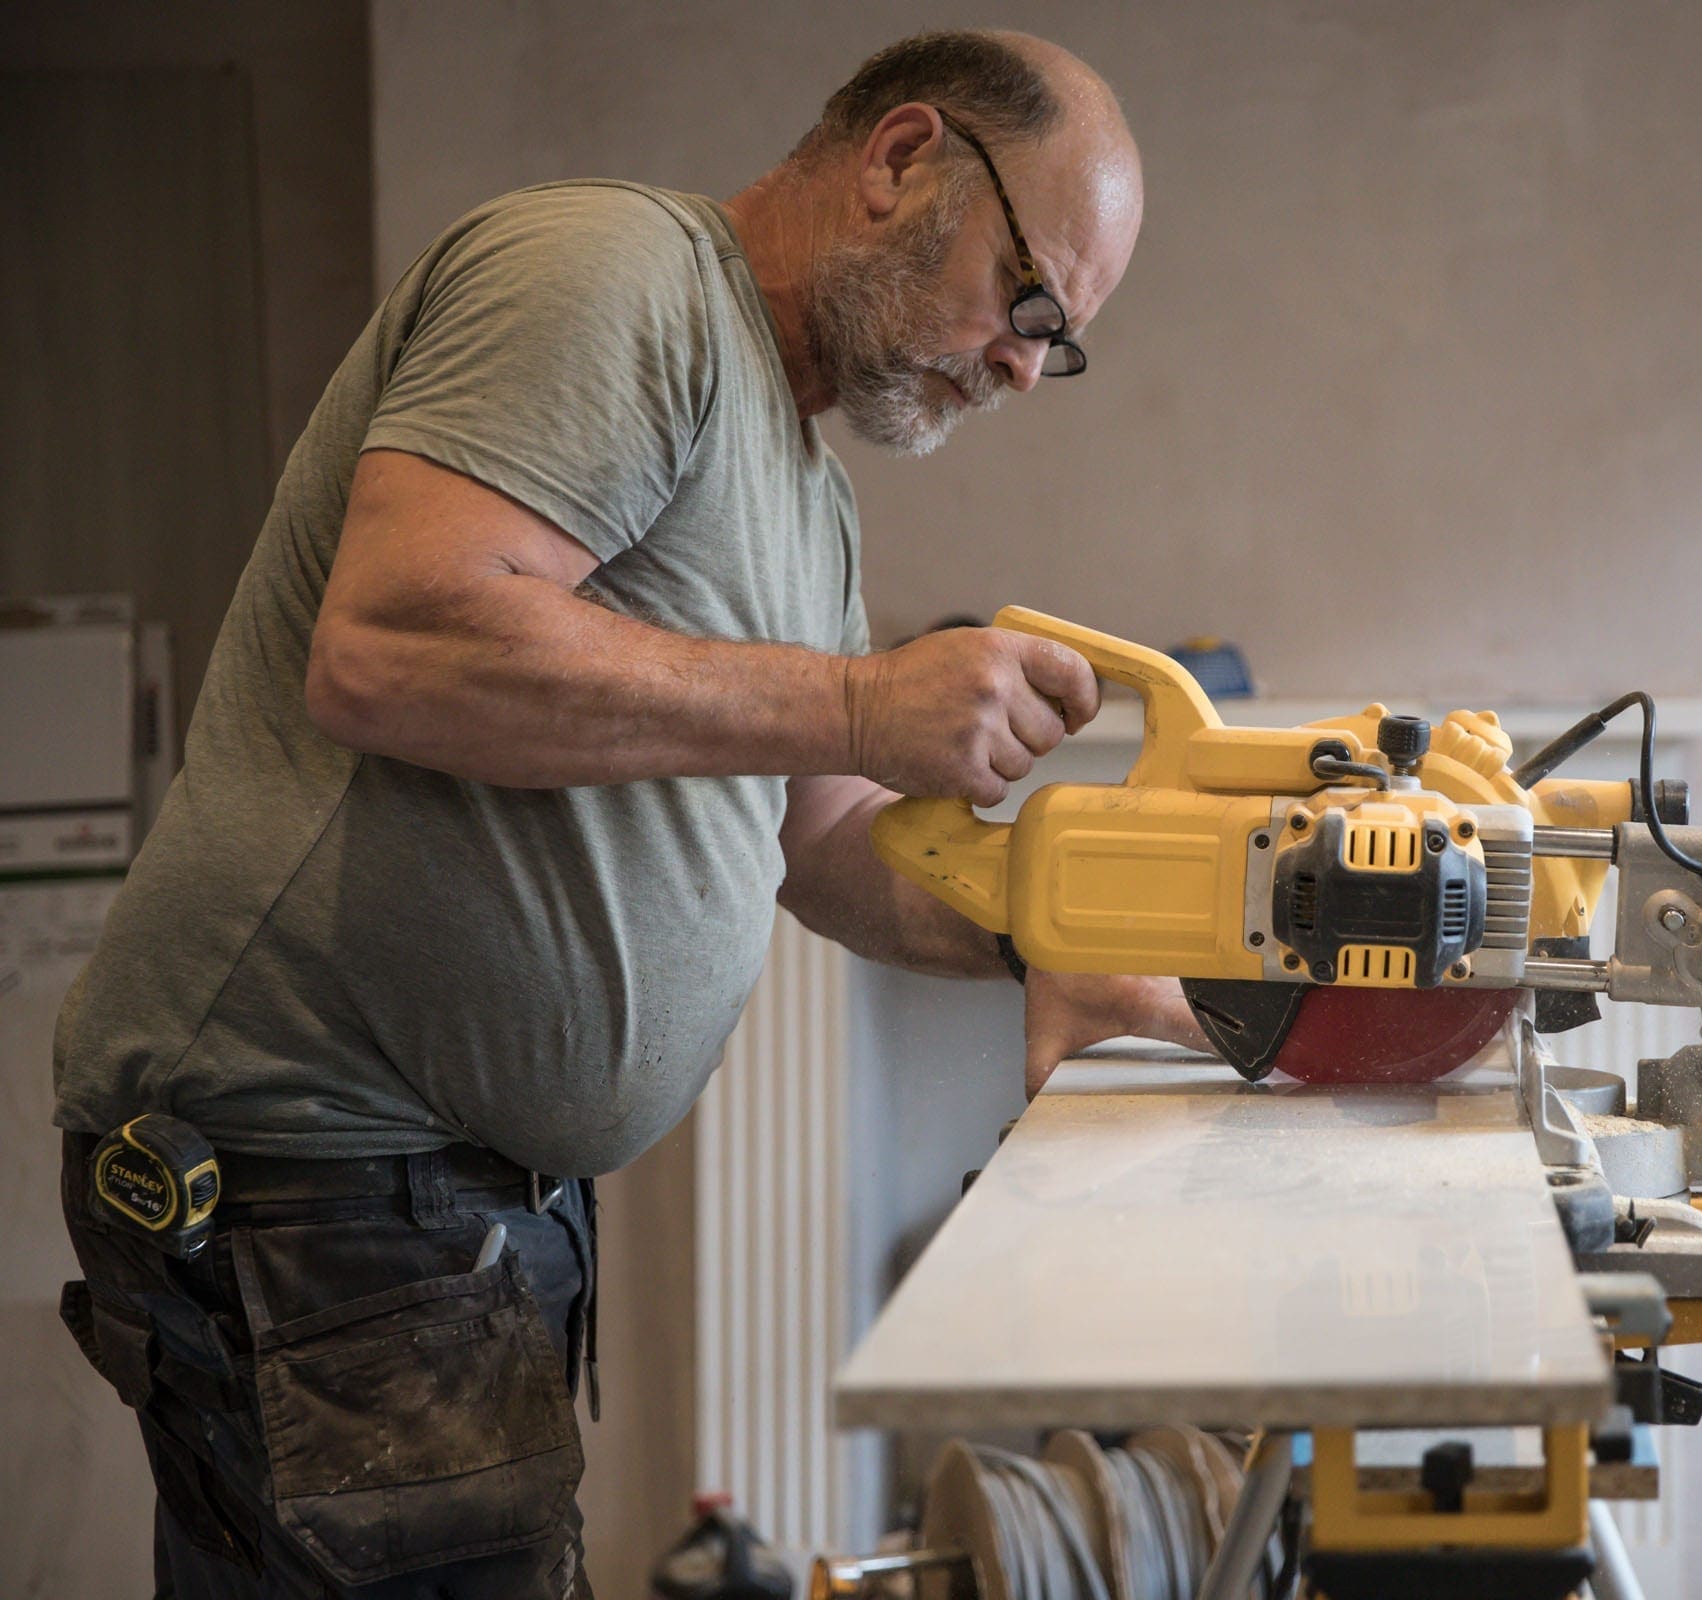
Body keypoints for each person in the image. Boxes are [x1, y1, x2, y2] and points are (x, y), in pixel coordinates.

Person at [51, 29, 1203, 1598]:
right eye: (1029, 300)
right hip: (319, 1171)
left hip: (437, 1203)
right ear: (902, 159)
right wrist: (865, 700)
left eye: (1054, 343)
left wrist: (1045, 939)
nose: (1019, 364)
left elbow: (819, 838)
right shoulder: (611, 276)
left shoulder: (804, 495)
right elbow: (397, 645)